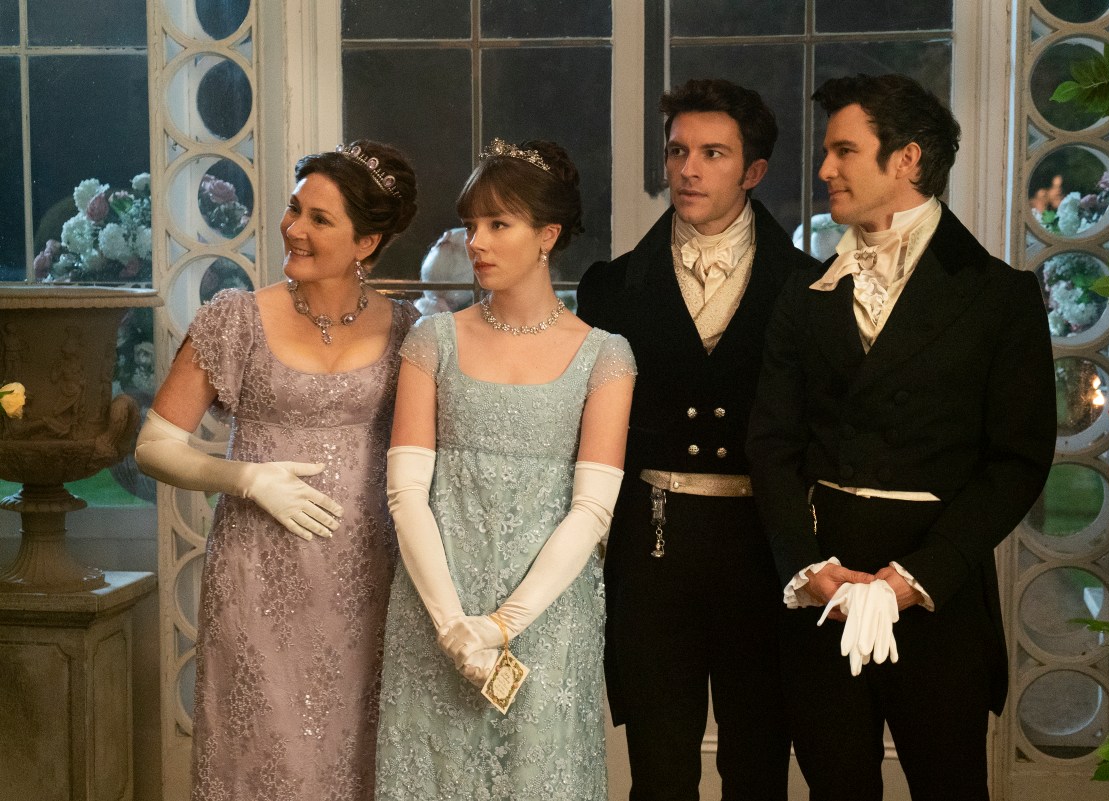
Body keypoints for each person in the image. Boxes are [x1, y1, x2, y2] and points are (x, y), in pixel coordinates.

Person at [746, 73, 1057, 801]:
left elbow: (1017, 461)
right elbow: (772, 444)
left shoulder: (999, 295)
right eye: (828, 152)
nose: (825, 169)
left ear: (907, 158)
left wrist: (917, 579)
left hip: (938, 592)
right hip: (824, 590)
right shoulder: (805, 292)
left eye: (844, 150)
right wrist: (806, 566)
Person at [134, 139, 420, 799]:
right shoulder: (234, 320)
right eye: (295, 209)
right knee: (260, 759)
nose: (294, 228)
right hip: (257, 575)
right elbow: (153, 445)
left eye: (319, 219)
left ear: (367, 241)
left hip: (372, 580)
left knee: (361, 760)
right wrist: (246, 478)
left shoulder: (411, 332)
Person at [576, 78, 816, 801]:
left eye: (713, 153)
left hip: (766, 547)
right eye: (678, 151)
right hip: (652, 548)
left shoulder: (813, 285)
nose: (688, 169)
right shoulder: (610, 288)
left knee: (758, 763)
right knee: (659, 766)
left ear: (754, 171)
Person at [374, 138, 635, 800]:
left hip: (548, 615)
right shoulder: (433, 340)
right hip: (437, 604)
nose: (477, 243)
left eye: (498, 224)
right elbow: (405, 494)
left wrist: (500, 625)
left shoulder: (605, 355)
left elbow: (593, 509)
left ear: (548, 235)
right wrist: (451, 625)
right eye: (472, 225)